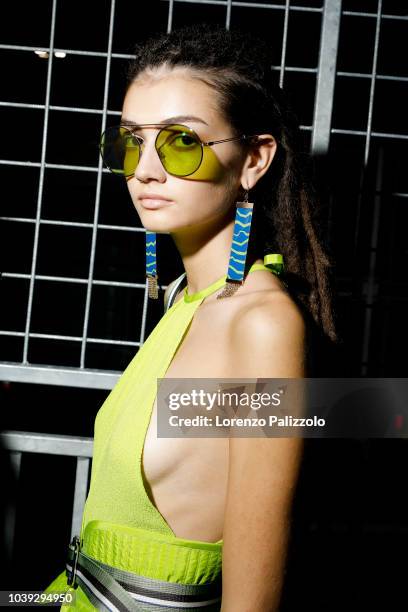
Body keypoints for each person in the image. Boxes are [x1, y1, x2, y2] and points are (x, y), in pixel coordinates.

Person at [44, 24, 337, 611]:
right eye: (130, 141)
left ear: (254, 159)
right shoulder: (185, 300)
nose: (145, 170)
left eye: (182, 142)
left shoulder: (261, 325)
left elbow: (251, 601)